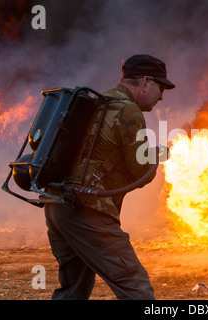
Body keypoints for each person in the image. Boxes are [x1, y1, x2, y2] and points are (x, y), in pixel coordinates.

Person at [43, 54, 175, 300]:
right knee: (134, 284)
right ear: (146, 82)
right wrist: (156, 156)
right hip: (87, 210)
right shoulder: (128, 111)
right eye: (160, 86)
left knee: (74, 288)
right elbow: (140, 171)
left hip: (57, 206)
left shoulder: (96, 102)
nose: (162, 95)